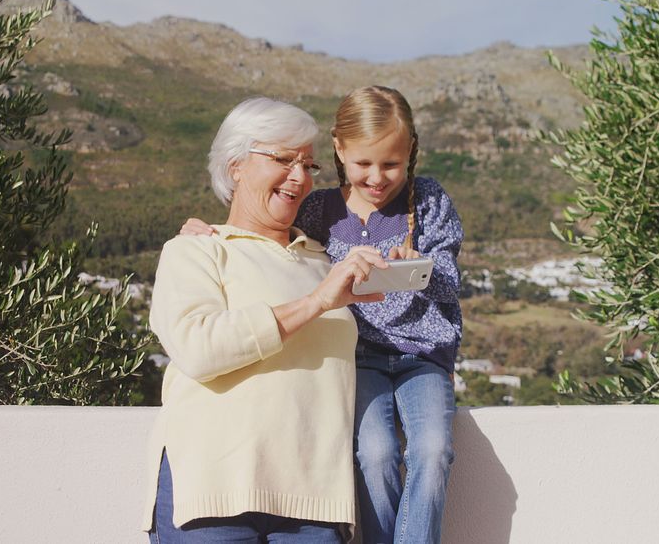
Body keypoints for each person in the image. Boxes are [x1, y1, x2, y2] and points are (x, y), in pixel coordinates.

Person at [183, 86, 463, 544]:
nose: (377, 178)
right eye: (364, 165)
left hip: (423, 358)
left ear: (410, 151)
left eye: (391, 164)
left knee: (432, 450)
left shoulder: (427, 201)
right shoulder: (320, 210)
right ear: (339, 149)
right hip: (360, 358)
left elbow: (451, 282)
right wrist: (213, 232)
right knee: (374, 453)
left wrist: (419, 270)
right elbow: (274, 242)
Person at [143, 96, 388, 543]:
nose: (299, 177)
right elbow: (198, 349)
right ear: (235, 165)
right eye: (283, 159)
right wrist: (315, 302)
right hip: (212, 500)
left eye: (309, 165)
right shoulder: (196, 250)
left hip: (315, 508)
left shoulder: (326, 261)